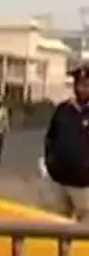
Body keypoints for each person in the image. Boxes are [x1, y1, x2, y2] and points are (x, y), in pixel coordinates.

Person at [43, 68, 89, 222]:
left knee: (84, 230)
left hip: (84, 186)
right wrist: (50, 163)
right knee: (56, 227)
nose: (82, 89)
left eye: (86, 85)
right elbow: (50, 138)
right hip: (59, 182)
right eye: (79, 84)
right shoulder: (63, 110)